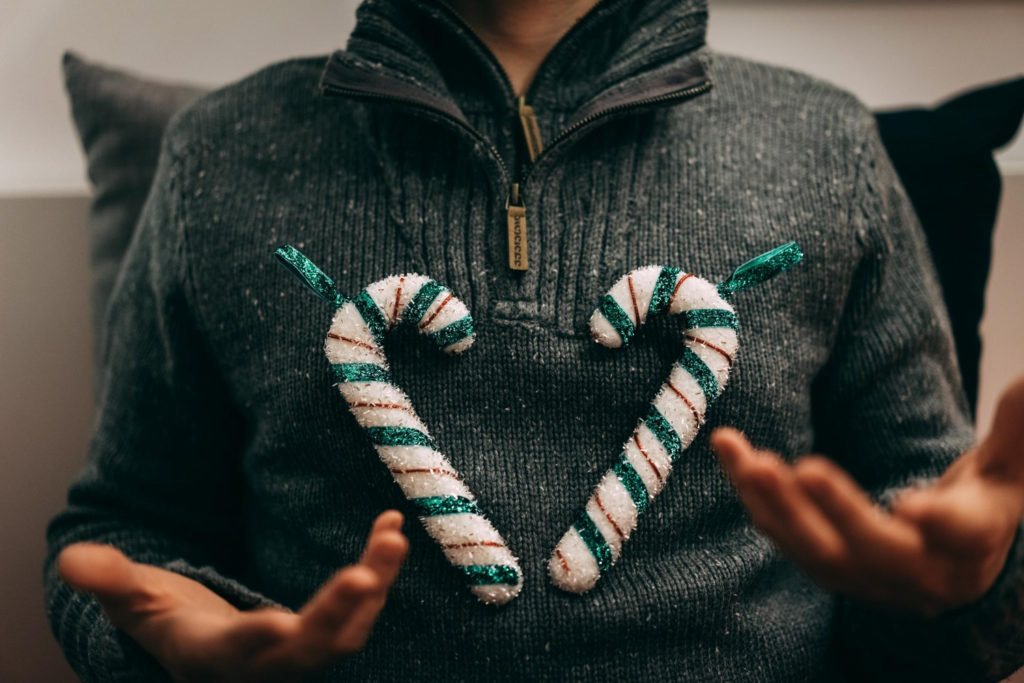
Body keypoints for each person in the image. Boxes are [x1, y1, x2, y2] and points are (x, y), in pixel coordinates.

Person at [45, 0, 1024, 680]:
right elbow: (124, 530)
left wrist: (967, 590)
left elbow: (927, 529)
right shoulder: (223, 156)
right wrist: (173, 643)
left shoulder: (826, 146)